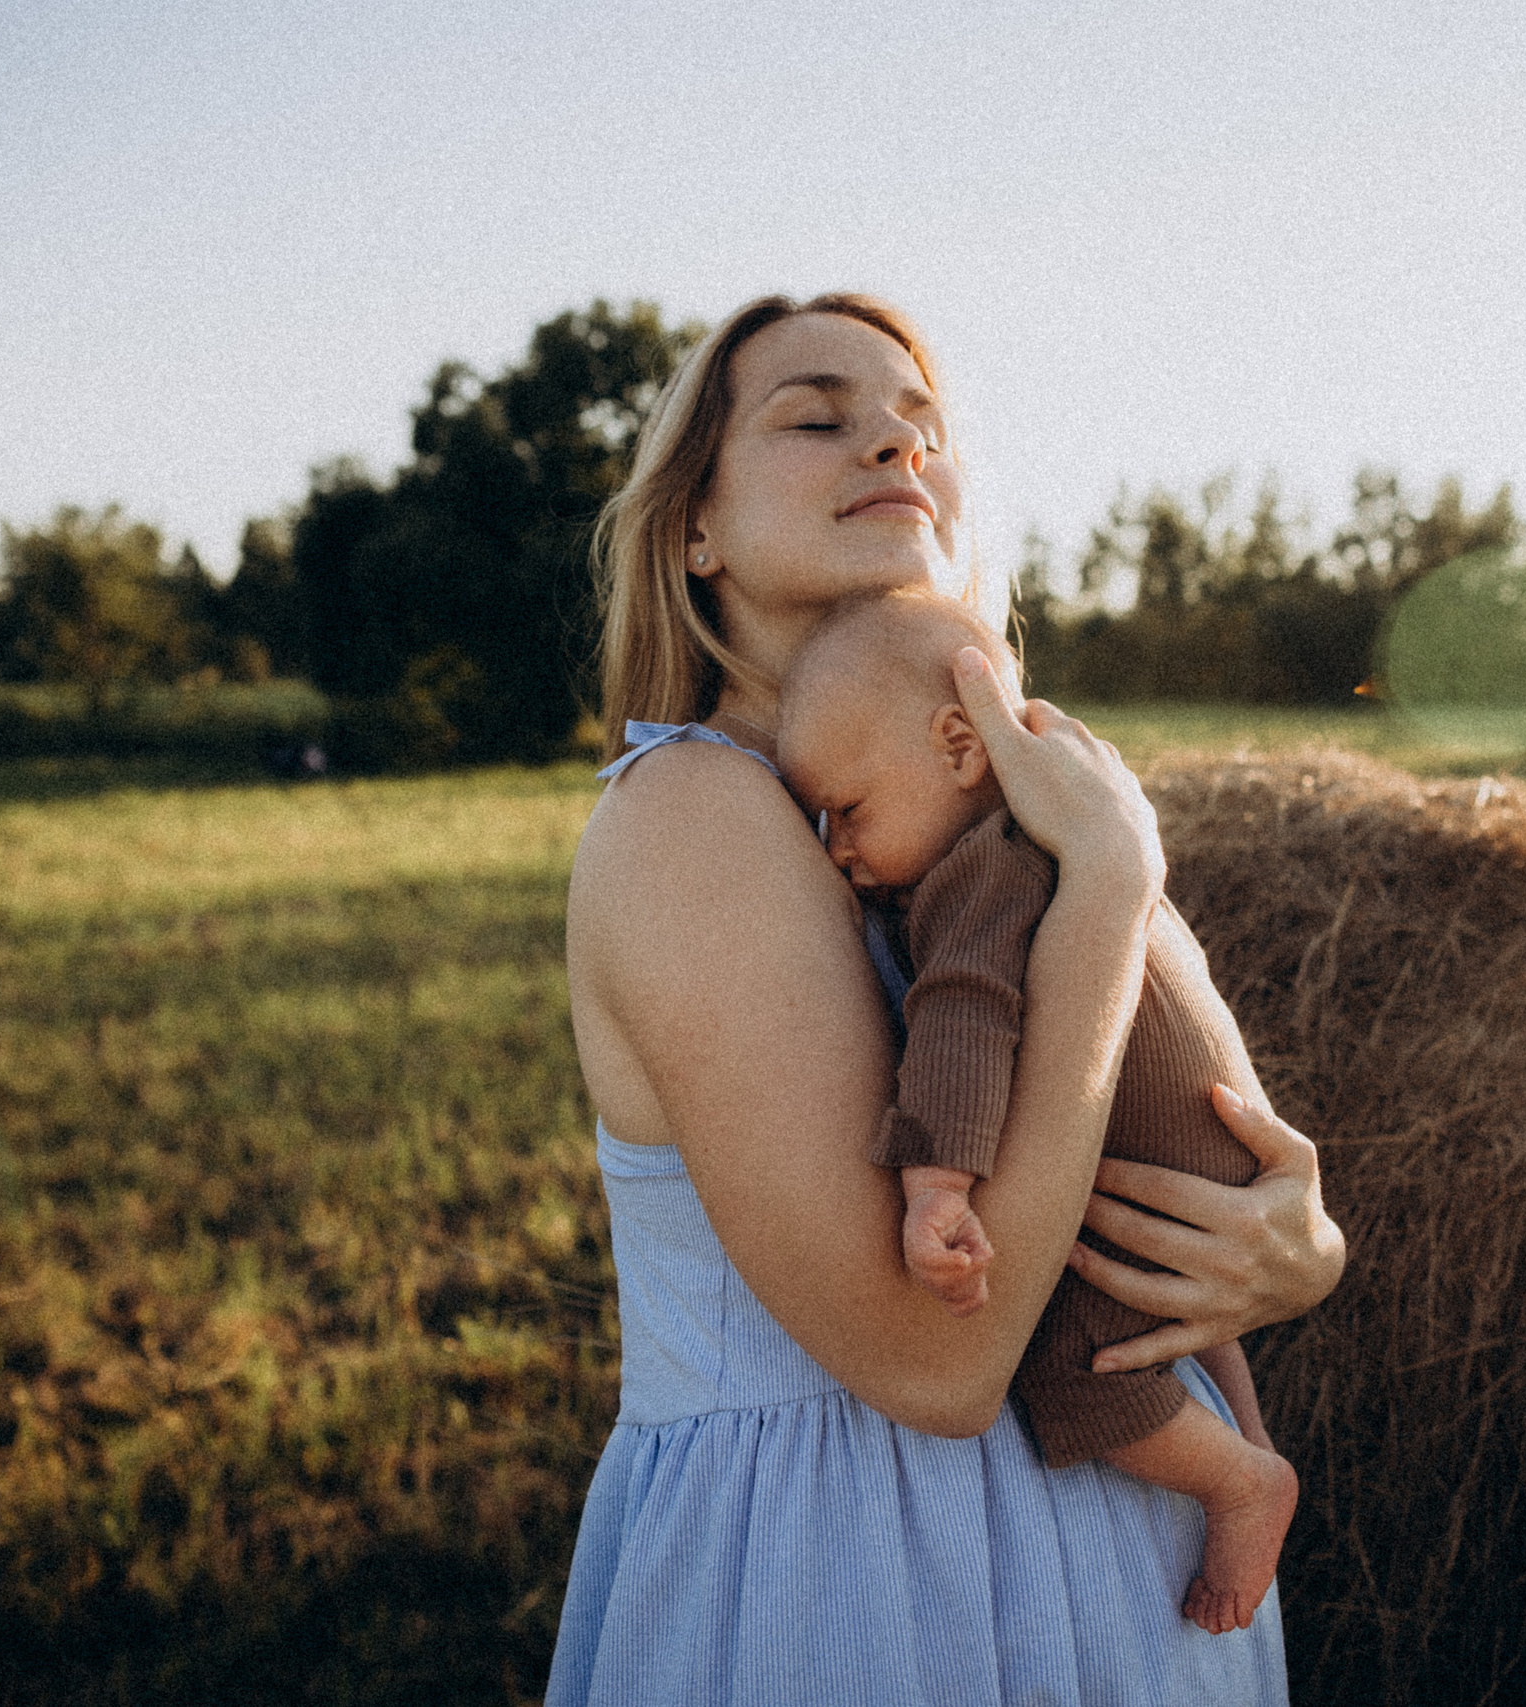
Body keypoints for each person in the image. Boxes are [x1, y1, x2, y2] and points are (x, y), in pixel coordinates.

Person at [552, 292, 1347, 1706]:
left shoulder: (993, 799)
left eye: (922, 424)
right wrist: (1110, 882)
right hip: (855, 1580)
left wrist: (1298, 1255)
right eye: (817, 417)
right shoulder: (693, 817)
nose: (893, 443)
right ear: (694, 530)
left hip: (1134, 1576)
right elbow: (940, 1363)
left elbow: (1161, 1116)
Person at [772, 586, 1300, 1636]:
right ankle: (1253, 1442)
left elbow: (964, 1019)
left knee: (1079, 1362)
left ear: (960, 746)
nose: (834, 848)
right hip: (1208, 1153)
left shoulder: (979, 871)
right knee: (1187, 1320)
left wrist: (936, 1185)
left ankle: (1238, 1480)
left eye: (850, 810)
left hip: (1149, 1154)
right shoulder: (1060, 828)